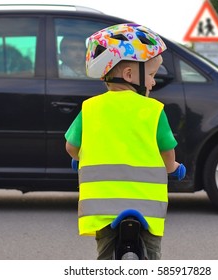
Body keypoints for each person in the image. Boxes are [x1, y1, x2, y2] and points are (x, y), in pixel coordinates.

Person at [65, 23, 186, 260]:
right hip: (147, 205)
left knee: (105, 256)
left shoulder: (89, 109)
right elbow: (167, 150)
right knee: (151, 255)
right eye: (151, 75)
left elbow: (71, 147)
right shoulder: (153, 110)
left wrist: (80, 159)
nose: (152, 82)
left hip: (101, 207)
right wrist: (173, 168)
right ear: (130, 75)